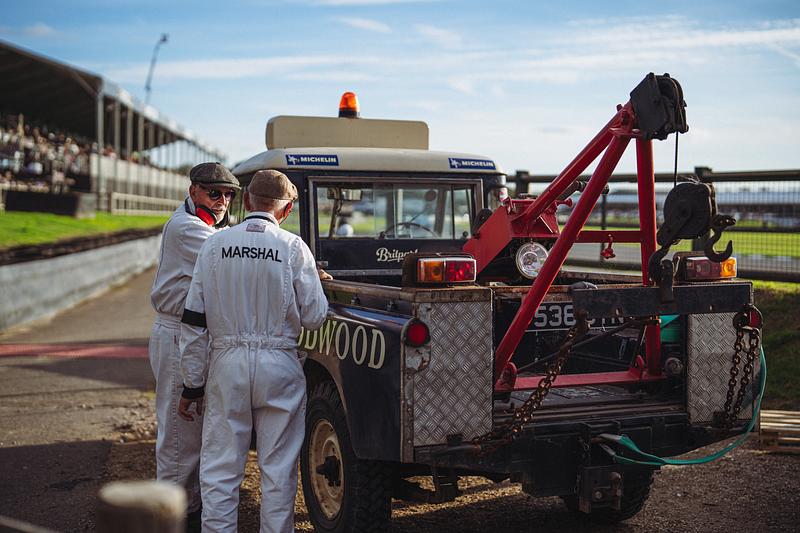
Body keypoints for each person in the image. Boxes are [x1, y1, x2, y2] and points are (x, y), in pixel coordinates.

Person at [178, 169, 329, 533]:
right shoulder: (294, 248)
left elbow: (194, 320)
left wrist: (192, 384)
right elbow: (314, 317)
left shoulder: (214, 245)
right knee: (278, 470)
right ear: (287, 209)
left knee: (220, 469)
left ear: (246, 201)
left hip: (227, 363)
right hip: (280, 364)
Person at [149, 162, 240, 532]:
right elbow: (230, 254)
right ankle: (174, 518)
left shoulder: (207, 226)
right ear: (193, 191)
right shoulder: (187, 227)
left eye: (228, 195)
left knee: (196, 433)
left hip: (192, 333)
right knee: (179, 438)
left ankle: (190, 511)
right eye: (214, 193)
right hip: (176, 331)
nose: (222, 201)